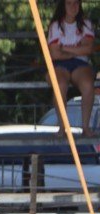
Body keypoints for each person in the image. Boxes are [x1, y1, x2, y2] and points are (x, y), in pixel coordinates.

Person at [47, 0, 96, 137]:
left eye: (76, 3)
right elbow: (54, 54)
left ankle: (85, 127)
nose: (73, 7)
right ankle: (62, 127)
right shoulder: (56, 26)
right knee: (60, 84)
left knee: (87, 84)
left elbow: (88, 49)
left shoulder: (86, 24)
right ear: (63, 5)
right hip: (60, 64)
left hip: (80, 64)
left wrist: (64, 48)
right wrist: (77, 49)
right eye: (69, 3)